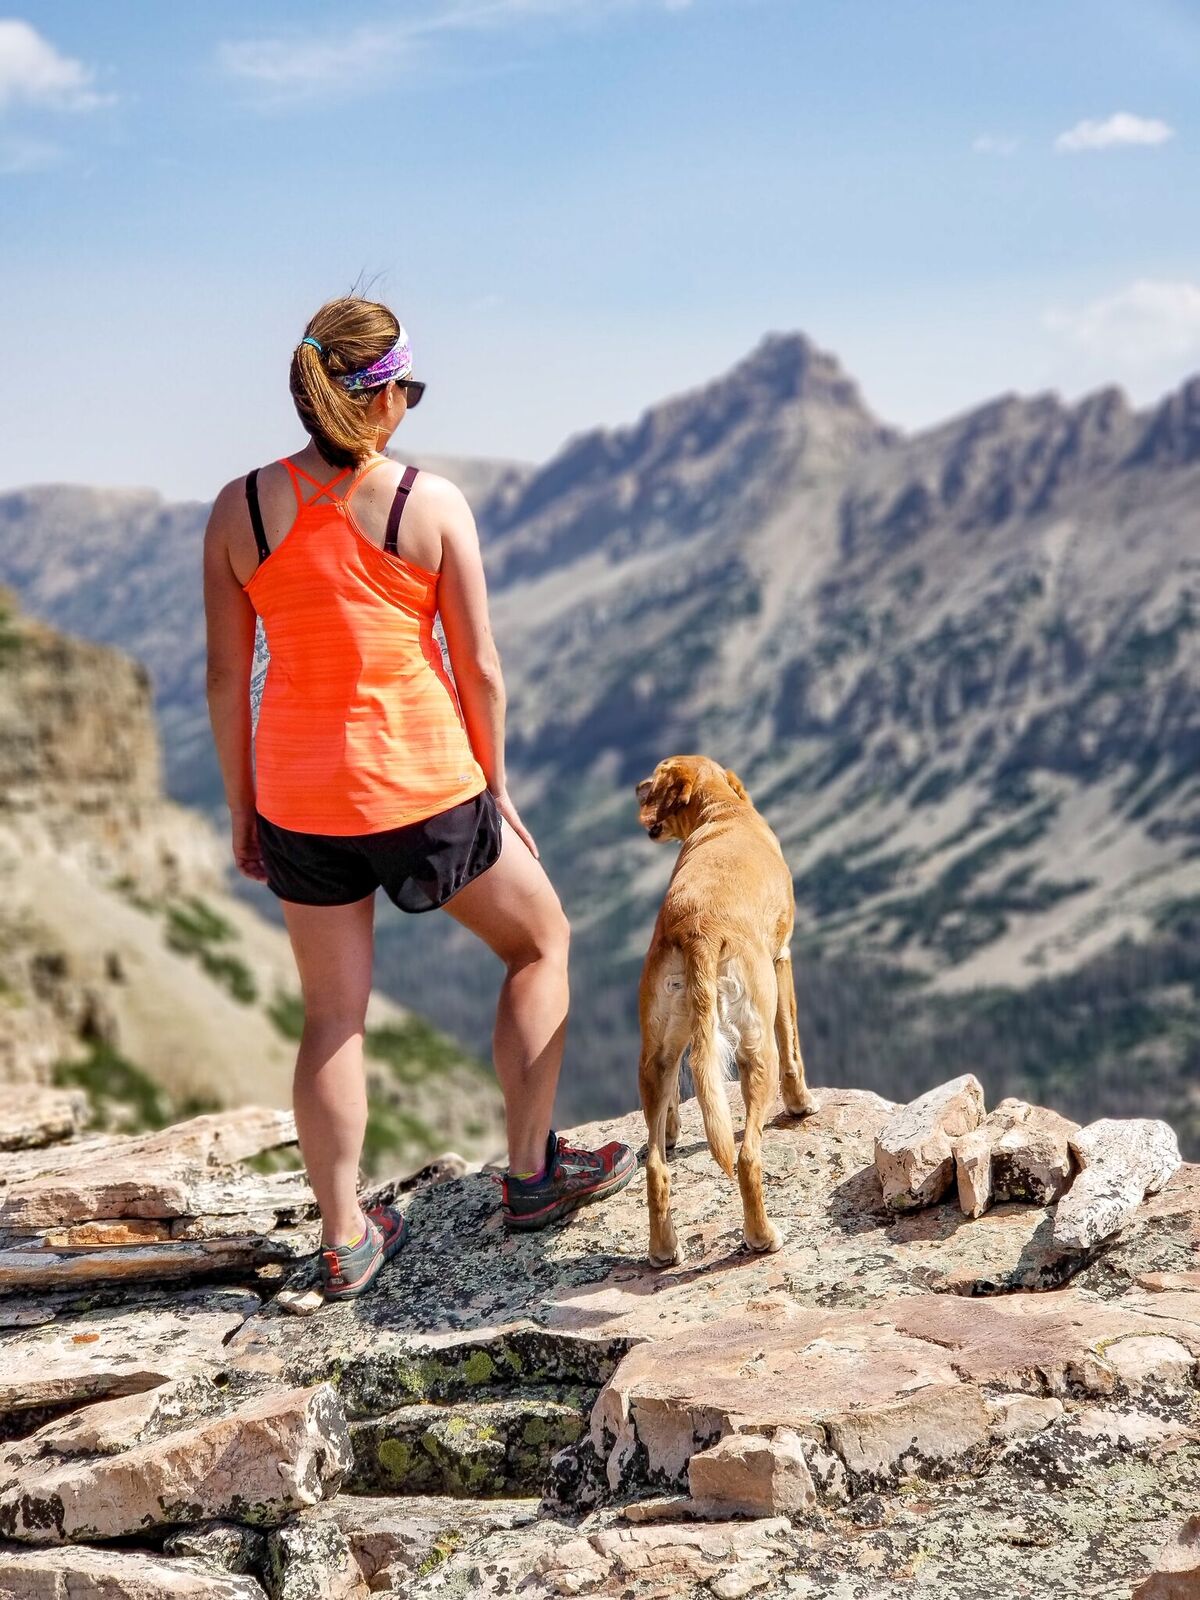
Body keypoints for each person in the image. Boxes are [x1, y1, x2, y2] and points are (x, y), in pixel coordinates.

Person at [203, 295, 635, 1299]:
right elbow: (479, 666)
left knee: (332, 1017)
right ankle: (531, 1172)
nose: (411, 404)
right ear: (381, 396)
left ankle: (347, 1234)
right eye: (409, 387)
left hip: (299, 797)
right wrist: (500, 788)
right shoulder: (426, 504)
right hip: (424, 784)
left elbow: (227, 679)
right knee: (539, 941)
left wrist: (241, 807)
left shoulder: (241, 508)